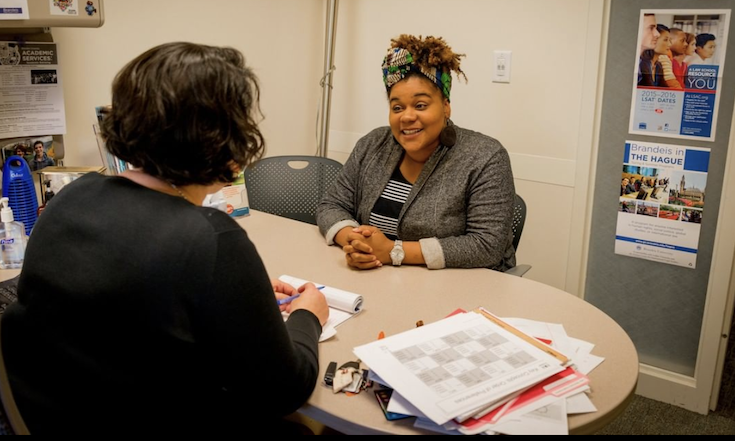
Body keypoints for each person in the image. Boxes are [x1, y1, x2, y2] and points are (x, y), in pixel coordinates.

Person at [0, 42, 329, 434]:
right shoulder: (211, 237)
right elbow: (284, 391)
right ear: (221, 136)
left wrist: (236, 293)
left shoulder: (70, 198)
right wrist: (309, 314)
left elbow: (135, 303)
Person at [316, 34, 516, 271]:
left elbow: (486, 246)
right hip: (377, 280)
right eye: (397, 107)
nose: (407, 116)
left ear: (445, 106)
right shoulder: (371, 145)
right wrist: (354, 240)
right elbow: (331, 205)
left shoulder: (485, 157)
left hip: (460, 291)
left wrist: (394, 252)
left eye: (420, 105)